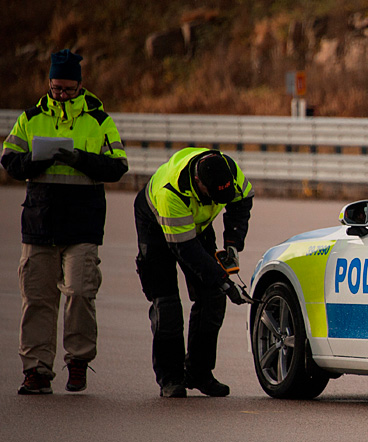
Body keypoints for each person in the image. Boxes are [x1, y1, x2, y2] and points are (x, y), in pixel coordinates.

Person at [1, 49, 129, 395]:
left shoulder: (99, 120)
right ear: (49, 83)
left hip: (83, 224)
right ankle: (36, 370)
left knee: (81, 293)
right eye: (56, 88)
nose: (61, 94)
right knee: (37, 300)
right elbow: (10, 161)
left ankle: (78, 361)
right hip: (39, 224)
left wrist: (79, 159)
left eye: (68, 89)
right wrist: (37, 161)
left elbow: (118, 166)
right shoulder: (30, 118)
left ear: (80, 86)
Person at [133, 147, 254, 398]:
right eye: (214, 196)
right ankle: (171, 378)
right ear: (198, 182)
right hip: (157, 228)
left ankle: (199, 373)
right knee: (167, 305)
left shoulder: (229, 170)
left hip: (197, 226)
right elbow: (187, 251)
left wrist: (232, 244)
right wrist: (224, 281)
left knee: (212, 298)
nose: (219, 201)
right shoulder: (170, 193)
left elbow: (242, 203)